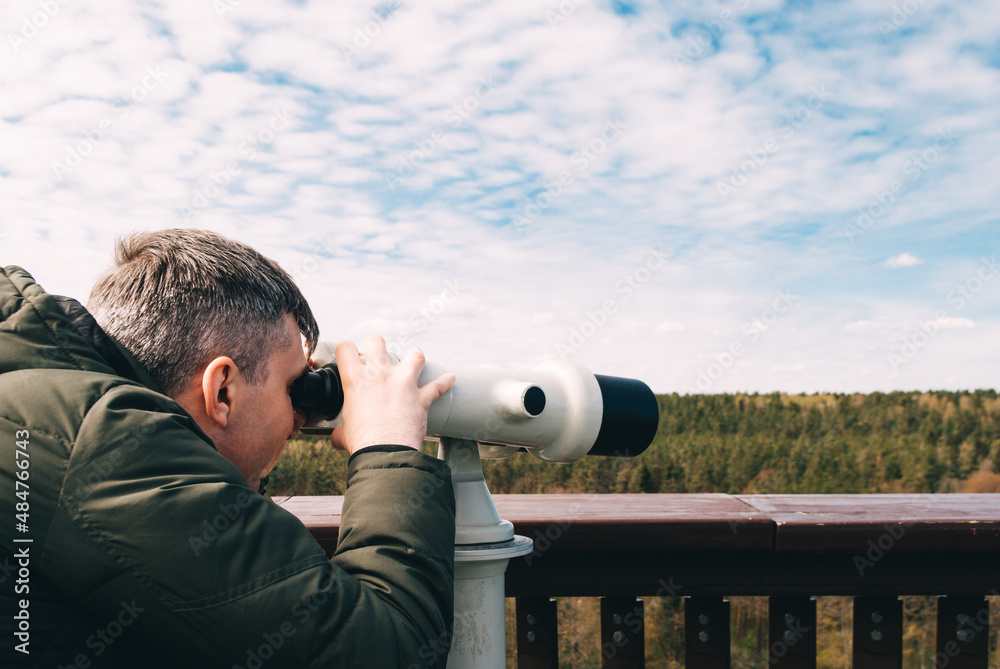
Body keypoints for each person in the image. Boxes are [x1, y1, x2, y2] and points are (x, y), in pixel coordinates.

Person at [0, 229, 457, 668]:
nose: (298, 421)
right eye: (292, 387)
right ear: (221, 391)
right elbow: (390, 650)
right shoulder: (106, 447)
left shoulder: (49, 406)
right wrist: (386, 441)